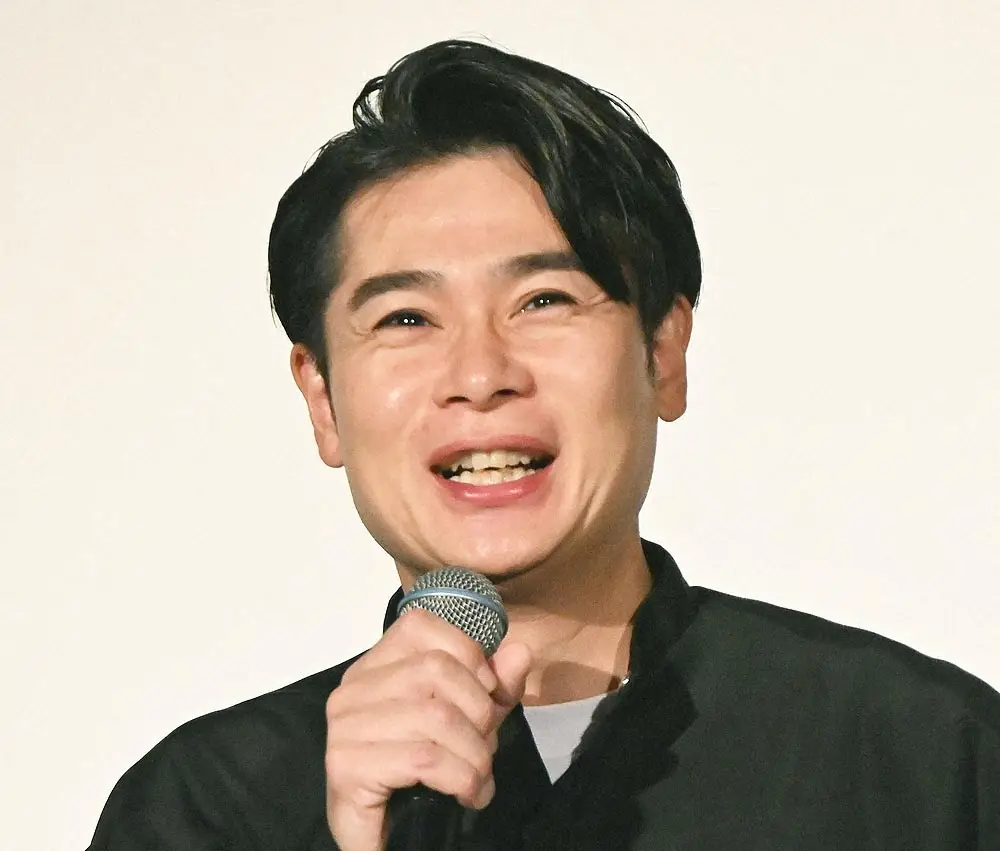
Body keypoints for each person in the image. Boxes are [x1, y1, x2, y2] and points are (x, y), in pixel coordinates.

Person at [88, 39, 999, 850]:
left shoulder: (920, 757)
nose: (480, 374)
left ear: (663, 353)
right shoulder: (207, 809)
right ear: (322, 399)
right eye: (406, 317)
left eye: (544, 301)